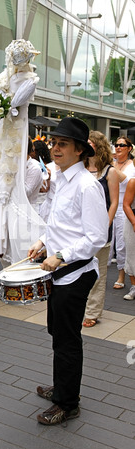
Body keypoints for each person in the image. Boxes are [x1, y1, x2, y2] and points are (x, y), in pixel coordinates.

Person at [28, 117, 108, 425]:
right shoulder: (61, 178)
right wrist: (43, 242)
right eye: (54, 143)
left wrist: (61, 255)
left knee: (67, 340)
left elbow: (96, 237)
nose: (55, 148)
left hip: (75, 274)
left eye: (62, 144)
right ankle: (61, 387)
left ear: (79, 150)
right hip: (60, 272)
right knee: (58, 334)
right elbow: (60, 226)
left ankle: (68, 403)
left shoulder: (88, 186)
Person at [0, 39, 46, 265]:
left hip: (16, 125)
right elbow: (2, 98)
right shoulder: (7, 78)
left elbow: (14, 103)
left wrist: (3, 105)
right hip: (5, 125)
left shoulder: (30, 80)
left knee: (8, 165)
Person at [82, 130, 119, 327]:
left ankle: (92, 312)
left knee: (98, 273)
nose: (87, 145)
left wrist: (105, 224)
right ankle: (80, 307)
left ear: (98, 145)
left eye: (90, 142)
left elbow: (113, 202)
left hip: (101, 230)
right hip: (80, 230)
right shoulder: (80, 168)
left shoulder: (109, 171)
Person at [109, 136, 135, 289]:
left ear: (129, 148)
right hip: (110, 204)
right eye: (116, 145)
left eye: (121, 145)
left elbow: (127, 182)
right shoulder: (112, 164)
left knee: (122, 244)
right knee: (108, 241)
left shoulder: (132, 167)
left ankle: (121, 276)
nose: (118, 148)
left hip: (123, 207)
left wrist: (111, 168)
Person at [123, 168, 135, 300]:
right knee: (131, 254)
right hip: (132, 220)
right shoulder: (133, 182)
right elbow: (126, 205)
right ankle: (134, 286)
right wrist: (134, 222)